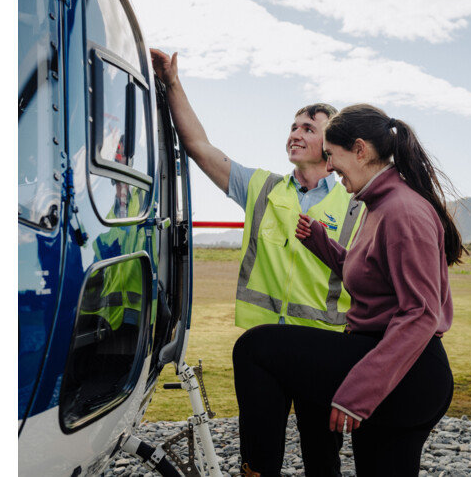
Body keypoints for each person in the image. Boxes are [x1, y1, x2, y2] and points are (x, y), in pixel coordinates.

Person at [150, 49, 363, 476]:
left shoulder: (356, 205)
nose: (295, 134)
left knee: (323, 460)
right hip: (263, 349)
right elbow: (198, 146)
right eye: (293, 126)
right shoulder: (262, 187)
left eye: (308, 128)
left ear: (331, 144)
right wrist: (172, 81)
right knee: (258, 460)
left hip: (320, 350)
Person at [233, 104, 462, 477]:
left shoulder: (403, 211)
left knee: (256, 349)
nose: (330, 169)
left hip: (408, 372)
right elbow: (372, 278)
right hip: (389, 361)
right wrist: (324, 245)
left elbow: (420, 314)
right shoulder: (378, 205)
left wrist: (358, 393)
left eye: (331, 157)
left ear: (359, 150)